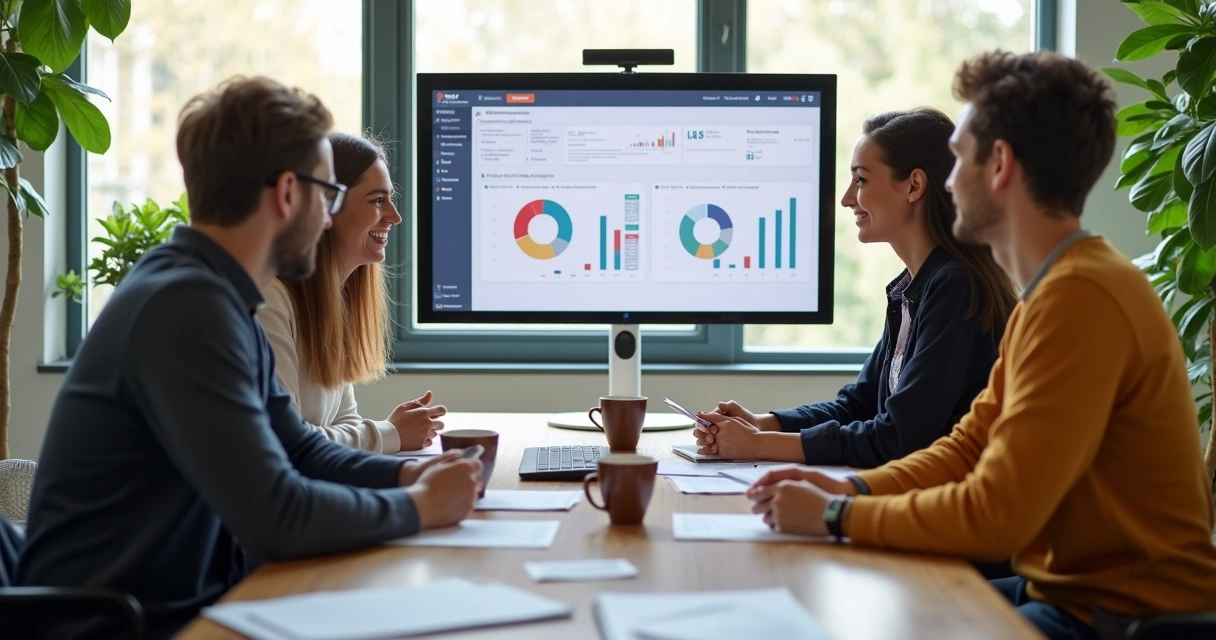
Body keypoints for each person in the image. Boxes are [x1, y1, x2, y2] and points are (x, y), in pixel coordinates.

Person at [746, 51, 1216, 640]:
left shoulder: (1083, 296)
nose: (945, 181)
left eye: (958, 158)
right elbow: (966, 448)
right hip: (1068, 590)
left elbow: (996, 516)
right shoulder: (1046, 295)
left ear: (999, 165)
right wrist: (847, 487)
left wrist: (839, 515)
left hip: (1124, 617)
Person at [15, 77, 482, 640]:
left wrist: (409, 471)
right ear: (288, 193)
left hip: (182, 602)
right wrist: (419, 507)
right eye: (328, 195)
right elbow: (276, 515)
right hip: (118, 625)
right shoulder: (186, 307)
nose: (329, 214)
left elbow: (299, 448)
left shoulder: (213, 294)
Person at [696, 108, 1017, 468]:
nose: (848, 198)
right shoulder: (912, 290)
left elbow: (897, 437)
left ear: (914, 185)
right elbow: (858, 405)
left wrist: (759, 445)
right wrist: (761, 424)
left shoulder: (955, 287)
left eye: (861, 180)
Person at [258, 132, 442, 454]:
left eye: (390, 199)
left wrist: (388, 437)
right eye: (376, 200)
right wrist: (389, 433)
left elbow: (344, 423)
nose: (394, 217)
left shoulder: (332, 301)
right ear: (324, 207)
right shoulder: (270, 302)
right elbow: (284, 444)